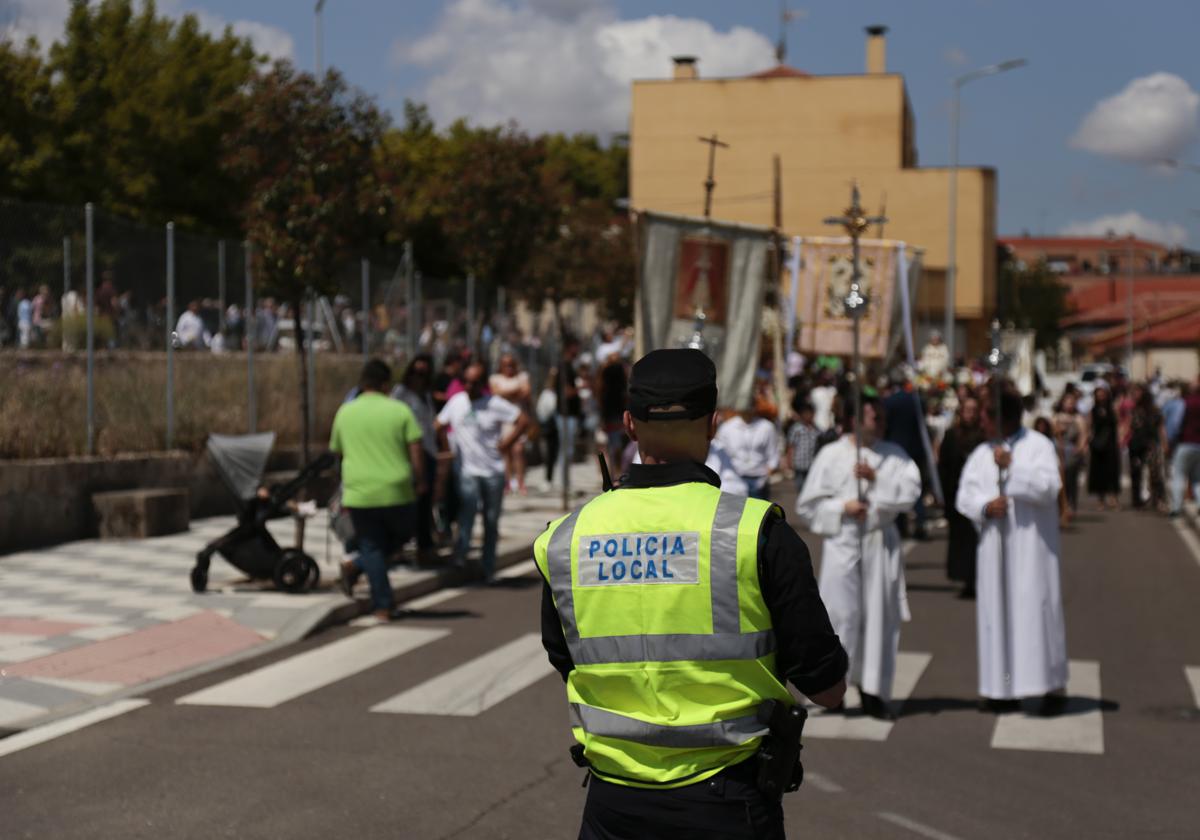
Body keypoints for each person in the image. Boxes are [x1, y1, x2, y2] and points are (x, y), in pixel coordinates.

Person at [534, 348, 847, 839]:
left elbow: (567, 658)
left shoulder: (566, 540)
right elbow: (827, 685)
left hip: (612, 806)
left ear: (629, 425)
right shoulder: (755, 533)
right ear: (714, 424)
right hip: (725, 804)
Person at [796, 395, 921, 720]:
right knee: (840, 618)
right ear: (854, 419)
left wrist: (877, 481)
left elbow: (911, 493)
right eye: (872, 416)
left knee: (879, 619)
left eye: (882, 417)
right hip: (844, 546)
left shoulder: (893, 455)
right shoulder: (832, 454)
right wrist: (842, 507)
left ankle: (874, 690)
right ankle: (834, 690)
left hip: (879, 546)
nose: (879, 422)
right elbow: (808, 506)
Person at [955, 388, 1068, 715]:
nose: (981, 422)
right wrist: (986, 506)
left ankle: (1050, 687)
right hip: (995, 550)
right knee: (998, 617)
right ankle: (1001, 689)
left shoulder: (1038, 446)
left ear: (1003, 418)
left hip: (1033, 551)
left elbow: (1049, 489)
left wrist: (1013, 467)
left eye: (987, 417)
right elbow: (965, 496)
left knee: (1037, 614)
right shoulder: (981, 453)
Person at [329, 359, 425, 622]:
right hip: (398, 491)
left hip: (359, 492)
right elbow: (416, 448)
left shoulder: (345, 412)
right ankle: (382, 601)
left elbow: (336, 451)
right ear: (386, 384)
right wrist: (421, 479)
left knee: (372, 547)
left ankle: (360, 572)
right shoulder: (400, 410)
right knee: (401, 537)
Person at [437, 361, 530, 582]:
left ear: (482, 383)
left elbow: (522, 420)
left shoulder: (495, 404)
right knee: (467, 513)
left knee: (491, 520)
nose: (469, 386)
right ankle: (460, 558)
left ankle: (488, 566)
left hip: (493, 471)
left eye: (474, 382)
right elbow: (438, 424)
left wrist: (507, 444)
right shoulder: (456, 402)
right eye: (465, 381)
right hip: (467, 470)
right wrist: (447, 449)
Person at [938, 392, 987, 599]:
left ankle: (980, 579)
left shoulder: (984, 436)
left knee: (979, 540)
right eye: (967, 411)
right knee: (961, 541)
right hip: (957, 495)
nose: (970, 415)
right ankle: (967, 580)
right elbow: (944, 465)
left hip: (979, 495)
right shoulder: (951, 435)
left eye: (974, 411)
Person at [392, 354, 439, 564]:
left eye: (424, 373)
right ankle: (405, 546)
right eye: (416, 372)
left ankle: (424, 546)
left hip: (428, 452)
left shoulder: (426, 396)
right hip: (410, 455)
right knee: (411, 504)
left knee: (425, 502)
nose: (419, 377)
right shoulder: (400, 394)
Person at [489, 353, 532, 494]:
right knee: (505, 452)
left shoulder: (522, 377)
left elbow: (526, 392)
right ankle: (507, 482)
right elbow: (495, 393)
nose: (509, 367)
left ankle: (520, 481)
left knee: (518, 451)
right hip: (502, 422)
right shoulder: (495, 378)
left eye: (511, 364)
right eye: (505, 364)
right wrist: (515, 392)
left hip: (518, 420)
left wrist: (505, 393)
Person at [714, 409, 780, 500]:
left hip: (759, 480)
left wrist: (767, 474)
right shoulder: (727, 427)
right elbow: (719, 455)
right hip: (734, 481)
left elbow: (773, 454)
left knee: (758, 513)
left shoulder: (767, 427)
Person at [1169, 375, 1200, 518]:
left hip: (1186, 443)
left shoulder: (1185, 402)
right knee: (1197, 479)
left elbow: (1176, 425)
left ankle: (1176, 508)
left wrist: (1172, 440)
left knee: (1178, 476)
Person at [1052, 390, 1088, 515]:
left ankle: (1071, 505)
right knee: (1059, 480)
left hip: (1072, 452)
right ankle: (1061, 505)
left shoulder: (1078, 418)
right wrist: (1057, 430)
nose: (1069, 405)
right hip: (1058, 451)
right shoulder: (1056, 417)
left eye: (1072, 403)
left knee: (1071, 480)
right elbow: (1051, 431)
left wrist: (1079, 448)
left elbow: (1083, 435)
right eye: (1067, 402)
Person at [1087, 384, 1121, 510]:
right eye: (1098, 394)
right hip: (1097, 444)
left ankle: (1113, 498)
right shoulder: (1093, 410)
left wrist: (1120, 440)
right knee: (1099, 472)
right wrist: (1088, 441)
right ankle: (1100, 500)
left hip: (1111, 444)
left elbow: (1118, 424)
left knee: (1112, 470)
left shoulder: (1113, 408)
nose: (1100, 396)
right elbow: (1090, 426)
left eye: (1103, 394)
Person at [785, 400, 819, 493]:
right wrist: (789, 461)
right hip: (799, 464)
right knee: (800, 487)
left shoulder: (816, 429)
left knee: (810, 488)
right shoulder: (796, 429)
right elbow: (791, 446)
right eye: (806, 413)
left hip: (812, 464)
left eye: (810, 413)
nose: (808, 416)